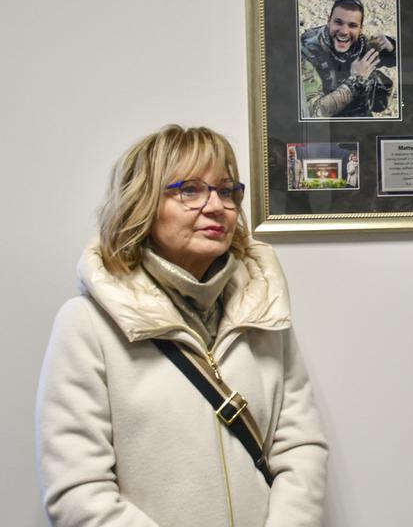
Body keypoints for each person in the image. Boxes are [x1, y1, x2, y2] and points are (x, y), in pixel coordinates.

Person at [36, 125, 328, 526]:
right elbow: (78, 490)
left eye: (226, 191)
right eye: (189, 190)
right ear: (142, 204)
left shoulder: (262, 312)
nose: (216, 207)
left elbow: (299, 448)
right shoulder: (88, 325)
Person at [300, 0, 396, 118]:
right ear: (329, 21)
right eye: (338, 22)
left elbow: (397, 61)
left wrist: (392, 49)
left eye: (352, 25)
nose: (344, 31)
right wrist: (356, 81)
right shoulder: (306, 52)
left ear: (361, 29)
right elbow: (312, 113)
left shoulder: (361, 42)